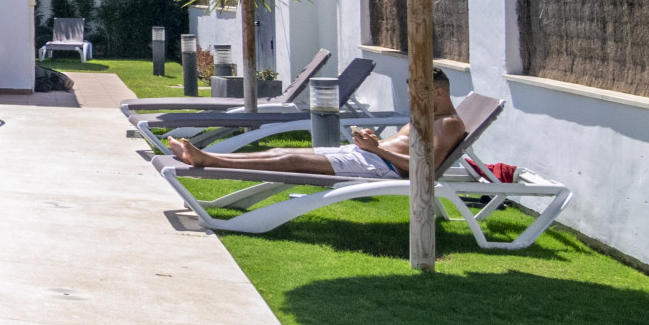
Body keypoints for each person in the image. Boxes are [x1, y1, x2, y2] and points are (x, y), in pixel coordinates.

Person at [168, 73, 465, 181]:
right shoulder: (426, 118)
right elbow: (402, 147)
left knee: (290, 160)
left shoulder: (448, 124)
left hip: (380, 167)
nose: (412, 100)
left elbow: (425, 168)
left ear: (439, 92)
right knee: (279, 151)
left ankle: (208, 160)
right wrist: (373, 141)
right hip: (369, 156)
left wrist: (377, 150)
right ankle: (208, 156)